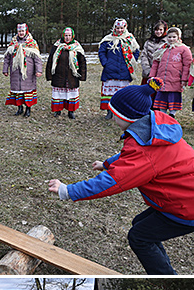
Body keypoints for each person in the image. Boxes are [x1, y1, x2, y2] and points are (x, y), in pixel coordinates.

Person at [48, 79, 194, 274]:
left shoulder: (144, 148)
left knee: (139, 237)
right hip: (184, 196)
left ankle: (167, 276)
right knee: (141, 225)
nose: (113, 119)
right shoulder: (155, 125)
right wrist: (108, 163)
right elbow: (135, 159)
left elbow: (111, 182)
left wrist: (68, 190)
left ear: (127, 117)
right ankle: (166, 271)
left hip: (186, 207)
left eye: (115, 114)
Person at [98, 18, 139, 116]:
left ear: (125, 27)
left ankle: (121, 112)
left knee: (122, 93)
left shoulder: (129, 39)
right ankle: (109, 112)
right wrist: (105, 63)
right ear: (114, 28)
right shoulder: (108, 39)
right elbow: (101, 52)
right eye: (117, 28)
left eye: (121, 28)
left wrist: (131, 62)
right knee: (110, 92)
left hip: (124, 70)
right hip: (110, 70)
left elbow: (136, 51)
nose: (119, 30)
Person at [149, 26, 192, 116]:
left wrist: (184, 79)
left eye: (174, 37)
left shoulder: (184, 49)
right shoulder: (162, 48)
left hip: (176, 79)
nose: (171, 39)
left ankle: (172, 114)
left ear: (178, 37)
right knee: (162, 97)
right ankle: (162, 114)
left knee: (173, 96)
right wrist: (152, 76)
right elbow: (155, 63)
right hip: (162, 79)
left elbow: (187, 65)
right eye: (169, 37)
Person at [45, 27, 87, 118]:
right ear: (62, 36)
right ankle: (57, 110)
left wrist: (82, 75)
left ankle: (71, 111)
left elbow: (82, 62)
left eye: (69, 35)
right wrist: (49, 75)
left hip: (72, 76)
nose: (67, 37)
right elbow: (51, 60)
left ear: (72, 36)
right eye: (66, 36)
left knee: (71, 94)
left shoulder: (77, 47)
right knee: (59, 94)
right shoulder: (57, 46)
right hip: (58, 75)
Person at [3, 22, 42, 117]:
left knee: (27, 90)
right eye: (19, 31)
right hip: (15, 71)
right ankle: (19, 108)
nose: (21, 33)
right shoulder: (13, 43)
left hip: (28, 72)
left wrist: (38, 70)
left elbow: (37, 58)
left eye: (22, 31)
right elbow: (7, 57)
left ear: (26, 31)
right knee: (17, 91)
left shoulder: (32, 43)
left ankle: (28, 109)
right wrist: (5, 69)